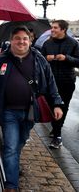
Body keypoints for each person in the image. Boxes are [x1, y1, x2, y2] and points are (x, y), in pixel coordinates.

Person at [0, 26, 63, 191]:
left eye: (24, 38)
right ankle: (11, 185)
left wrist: (57, 103)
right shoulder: (1, 60)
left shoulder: (39, 59)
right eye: (17, 38)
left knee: (19, 142)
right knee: (11, 146)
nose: (21, 41)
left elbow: (50, 82)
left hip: (30, 111)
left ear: (30, 40)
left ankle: (12, 163)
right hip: (8, 111)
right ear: (11, 41)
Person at [40, 20, 79, 149]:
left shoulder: (73, 43)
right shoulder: (47, 43)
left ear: (63, 29)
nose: (52, 30)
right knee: (52, 106)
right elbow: (40, 59)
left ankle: (57, 135)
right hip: (50, 82)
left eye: (55, 28)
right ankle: (56, 129)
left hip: (66, 81)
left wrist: (66, 58)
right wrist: (46, 58)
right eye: (52, 28)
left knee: (62, 106)